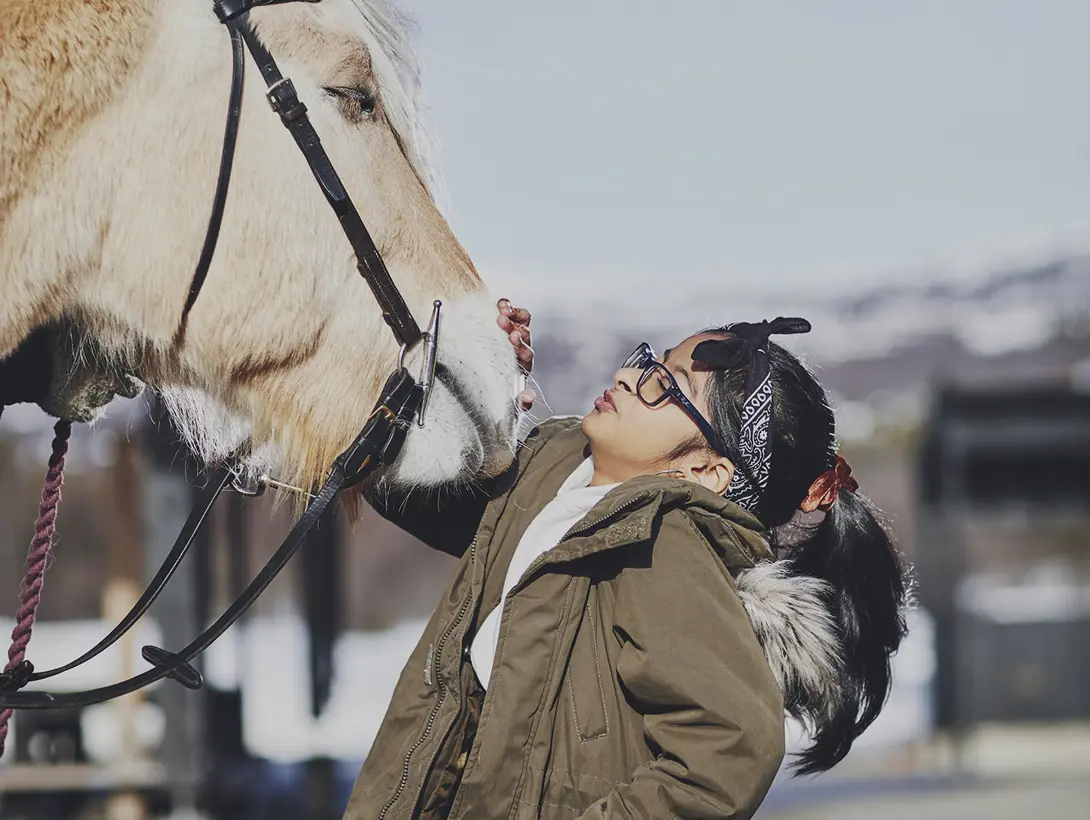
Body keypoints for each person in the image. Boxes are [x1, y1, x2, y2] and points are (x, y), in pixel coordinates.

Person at [343, 301, 911, 820]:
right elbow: (424, 498)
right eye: (650, 362)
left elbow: (734, 746)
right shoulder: (551, 465)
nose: (627, 375)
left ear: (706, 472)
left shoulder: (664, 546)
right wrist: (469, 386)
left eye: (665, 386)